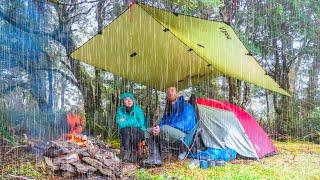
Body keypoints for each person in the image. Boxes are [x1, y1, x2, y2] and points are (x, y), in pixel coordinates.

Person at [143, 87, 197, 166]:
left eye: (172, 90)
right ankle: (154, 157)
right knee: (147, 131)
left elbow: (186, 124)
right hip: (169, 133)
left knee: (165, 128)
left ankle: (164, 155)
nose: (170, 93)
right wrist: (158, 128)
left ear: (178, 94)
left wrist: (164, 127)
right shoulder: (169, 109)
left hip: (185, 135)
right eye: (167, 91)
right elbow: (163, 122)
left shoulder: (187, 106)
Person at [116, 92, 146, 163]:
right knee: (126, 130)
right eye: (126, 99)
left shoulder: (138, 110)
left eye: (130, 99)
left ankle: (132, 152)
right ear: (123, 101)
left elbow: (141, 123)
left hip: (139, 132)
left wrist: (126, 120)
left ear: (133, 100)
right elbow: (120, 124)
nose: (129, 101)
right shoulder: (120, 111)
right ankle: (127, 152)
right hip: (126, 132)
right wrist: (134, 120)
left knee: (133, 129)